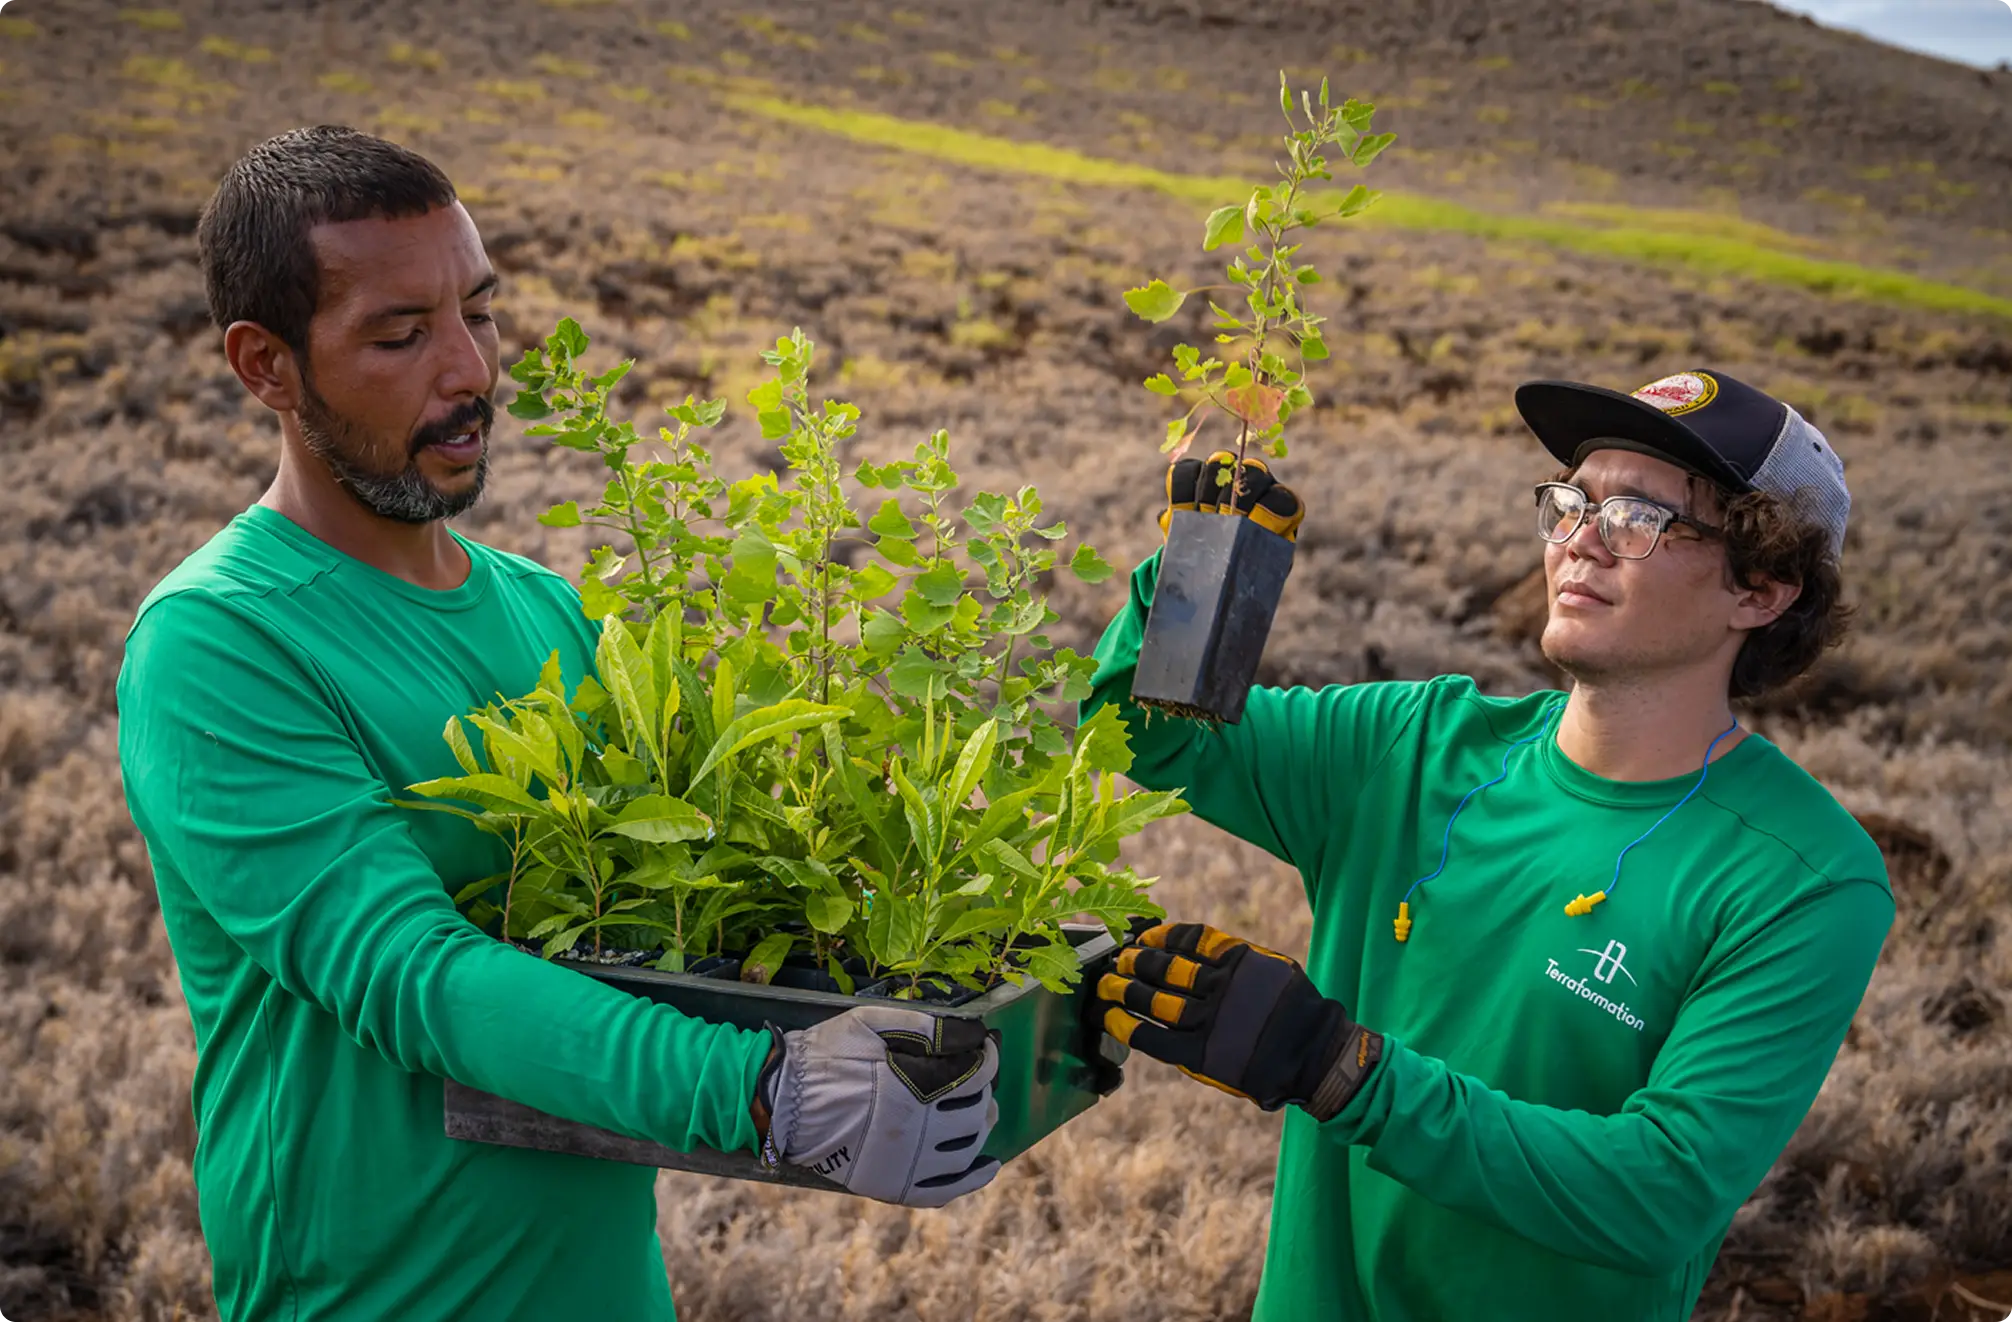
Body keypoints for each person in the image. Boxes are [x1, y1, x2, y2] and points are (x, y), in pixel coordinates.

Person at [115, 126, 1000, 1322]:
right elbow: (410, 973)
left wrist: (988, 949)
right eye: (401, 333)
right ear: (266, 365)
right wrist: (764, 1088)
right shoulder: (219, 642)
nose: (470, 368)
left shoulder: (556, 617)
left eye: (479, 313)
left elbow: (721, 897)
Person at [1088, 370, 1893, 1321]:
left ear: (1761, 588)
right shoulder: (1412, 746)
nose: (1579, 541)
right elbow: (1146, 734)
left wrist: (1339, 1069)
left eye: (1636, 517)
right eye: (1570, 503)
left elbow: (1658, 1193)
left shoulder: (1803, 880)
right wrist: (1195, 579)